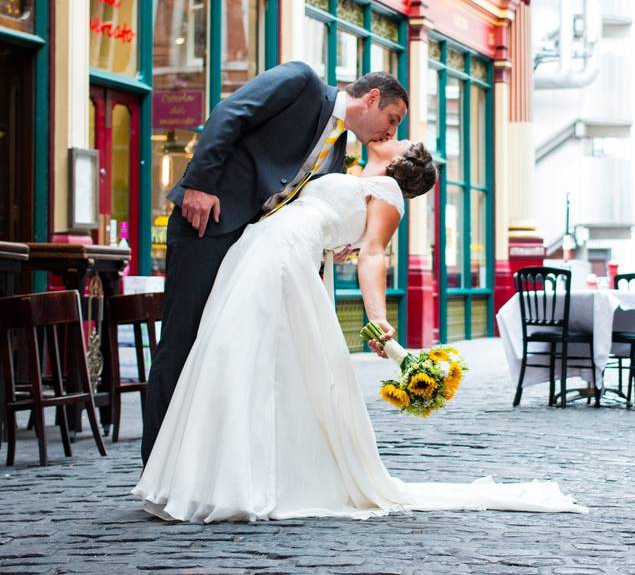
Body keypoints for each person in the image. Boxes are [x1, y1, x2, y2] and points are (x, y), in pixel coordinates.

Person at [133, 139, 586, 522]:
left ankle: (235, 482)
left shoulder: (387, 193)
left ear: (403, 162)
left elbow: (373, 255)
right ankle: (214, 476)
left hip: (283, 254)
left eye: (400, 136)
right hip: (266, 246)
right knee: (232, 354)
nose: (393, 131)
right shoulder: (352, 173)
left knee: (241, 353)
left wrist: (379, 320)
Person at [141, 63, 408, 465]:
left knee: (224, 352)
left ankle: (203, 464)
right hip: (208, 225)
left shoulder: (336, 153)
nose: (392, 132)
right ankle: (156, 467)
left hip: (253, 254)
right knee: (182, 342)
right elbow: (230, 113)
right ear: (372, 98)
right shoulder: (301, 82)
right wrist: (199, 183)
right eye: (392, 118)